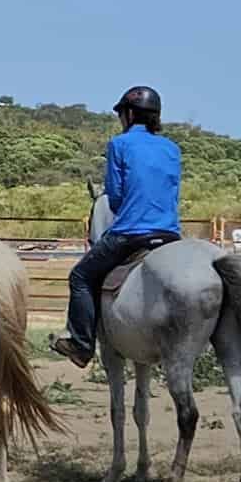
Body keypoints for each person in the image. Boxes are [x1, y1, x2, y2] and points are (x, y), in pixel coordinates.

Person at [51, 86, 181, 368]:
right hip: (171, 234)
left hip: (132, 233)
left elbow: (116, 196)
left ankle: (81, 344)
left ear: (130, 114)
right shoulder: (172, 149)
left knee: (81, 277)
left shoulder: (119, 145)